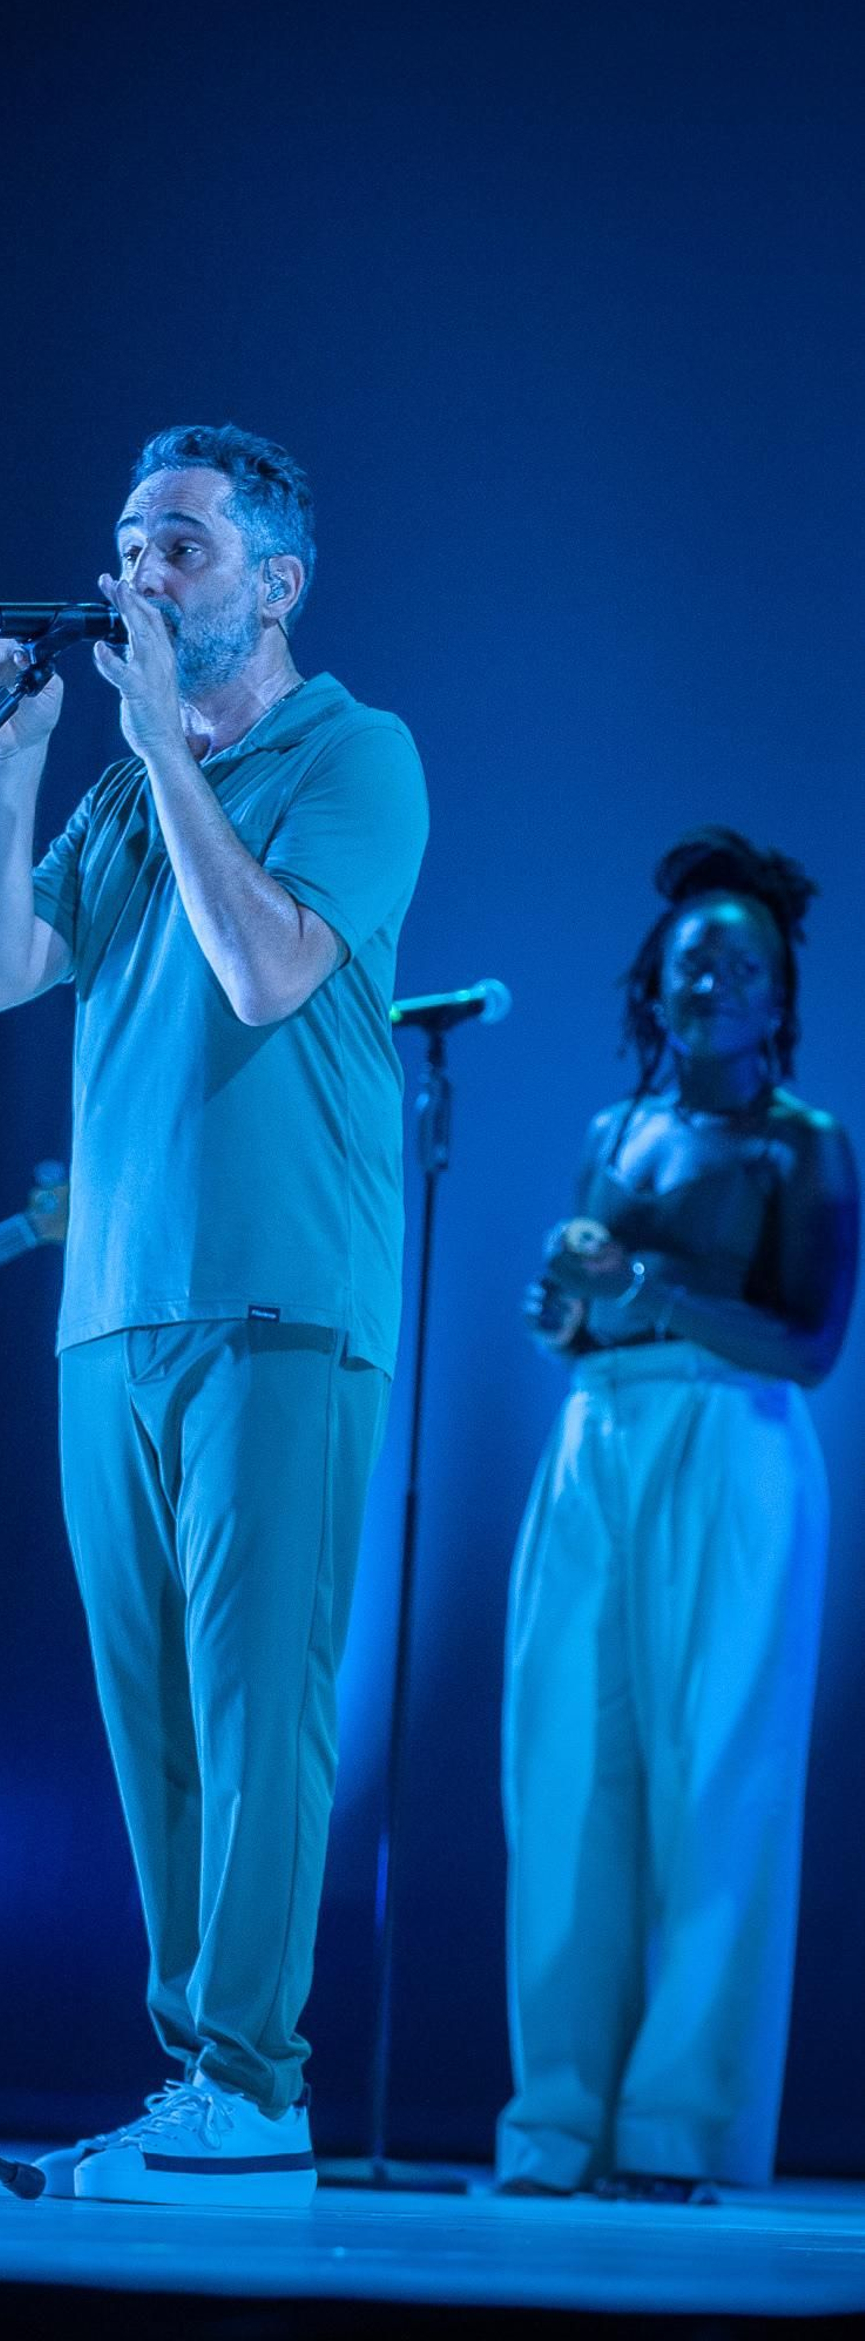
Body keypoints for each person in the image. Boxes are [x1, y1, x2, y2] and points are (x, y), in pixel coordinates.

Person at [0, 423, 429, 2205]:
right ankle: (201, 2074)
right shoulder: (131, 783)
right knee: (156, 1726)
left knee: (254, 1703)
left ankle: (253, 2079)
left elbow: (272, 965)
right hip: (112, 1312)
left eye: (181, 549)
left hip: (282, 1303)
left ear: (275, 580)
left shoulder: (358, 752)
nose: (137, 575)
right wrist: (16, 760)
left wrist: (153, 749)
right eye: (129, 543)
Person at [497, 829, 858, 2201]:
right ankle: (556, 2126)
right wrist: (567, 1311)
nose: (712, 978)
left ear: (778, 998)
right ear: (656, 985)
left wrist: (648, 1297)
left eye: (740, 962)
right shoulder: (615, 1132)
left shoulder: (803, 1146)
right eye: (691, 959)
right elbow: (580, 1325)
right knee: (567, 1781)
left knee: (720, 1788)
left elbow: (812, 1345)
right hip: (601, 1442)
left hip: (735, 1448)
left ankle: (675, 2134)